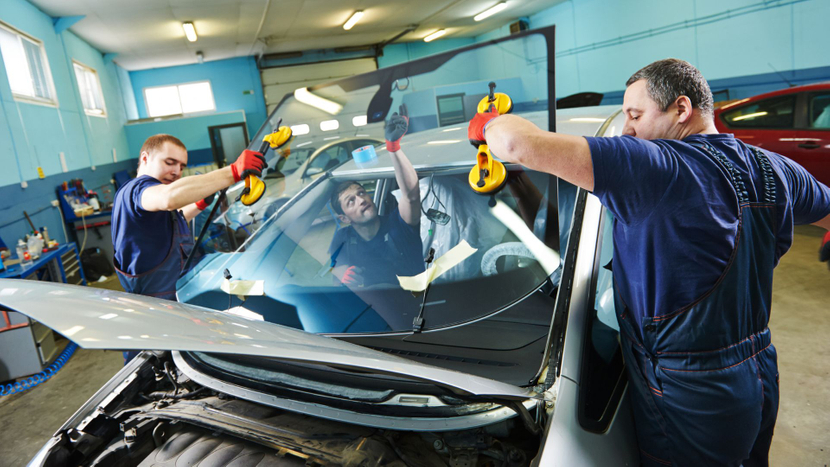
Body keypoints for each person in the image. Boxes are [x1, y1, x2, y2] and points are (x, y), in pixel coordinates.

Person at [468, 58, 830, 466]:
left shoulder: (654, 166)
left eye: (636, 115)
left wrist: (488, 124)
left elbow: (516, 145)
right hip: (759, 371)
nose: (628, 130)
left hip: (690, 392)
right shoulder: (773, 168)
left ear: (681, 109)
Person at [112, 134, 266, 363]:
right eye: (169, 162)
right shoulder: (137, 190)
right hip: (159, 320)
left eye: (181, 166)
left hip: (182, 303)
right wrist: (232, 172)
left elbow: (175, 217)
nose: (176, 171)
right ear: (145, 158)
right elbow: (168, 198)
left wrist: (200, 203)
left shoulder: (150, 203)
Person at [329, 105, 423, 287]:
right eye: (351, 201)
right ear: (344, 218)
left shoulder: (398, 223)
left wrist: (393, 148)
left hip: (417, 303)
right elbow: (336, 274)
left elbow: (411, 196)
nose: (361, 199)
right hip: (375, 309)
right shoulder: (343, 239)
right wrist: (341, 276)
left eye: (361, 193)